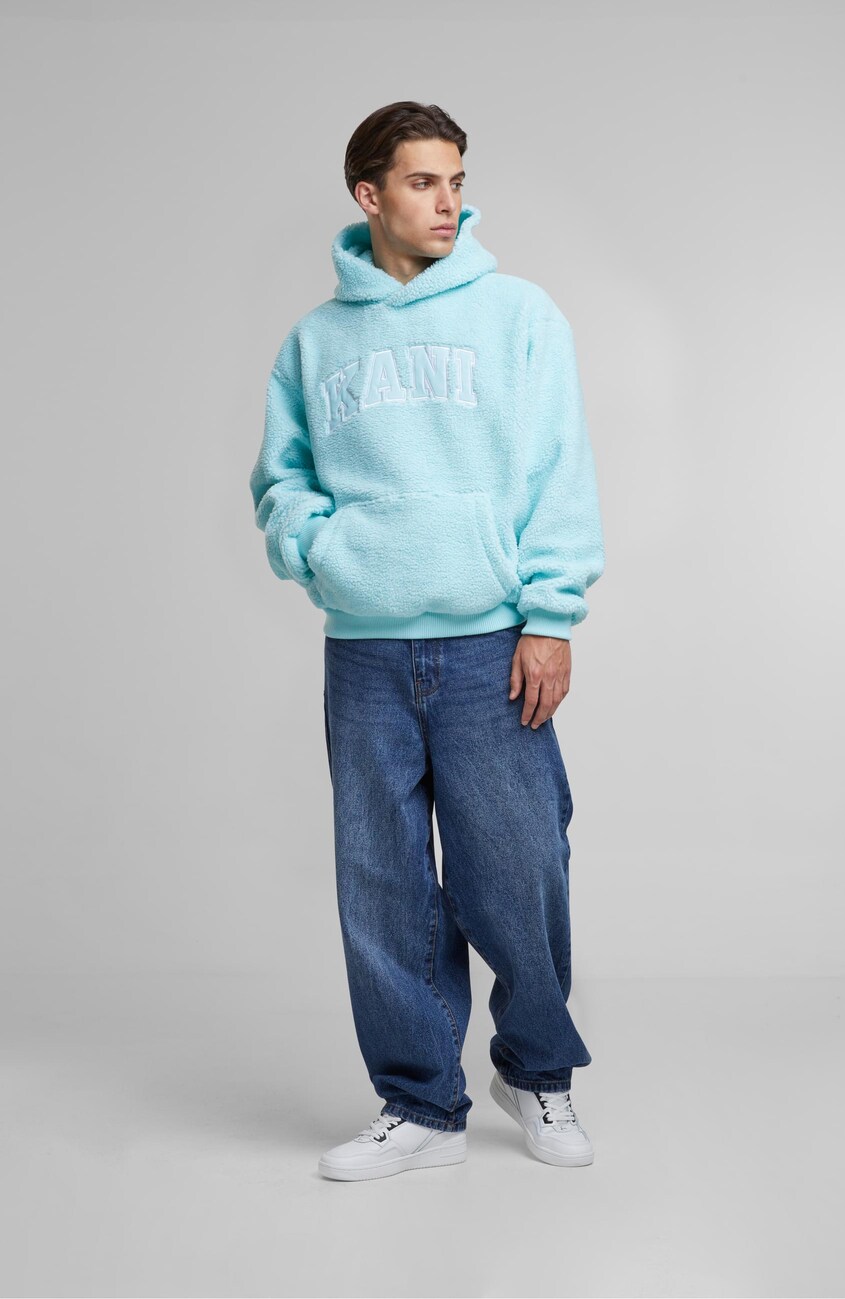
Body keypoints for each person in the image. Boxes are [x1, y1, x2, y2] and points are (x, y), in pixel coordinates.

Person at [249, 101, 606, 1182]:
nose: (448, 201)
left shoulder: (519, 314)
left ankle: (537, 1073)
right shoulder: (316, 340)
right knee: (384, 886)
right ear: (369, 195)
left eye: (456, 180)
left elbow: (560, 470)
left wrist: (551, 616)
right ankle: (421, 1105)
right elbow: (280, 481)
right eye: (422, 182)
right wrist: (323, 551)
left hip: (490, 646)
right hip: (363, 653)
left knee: (521, 870)